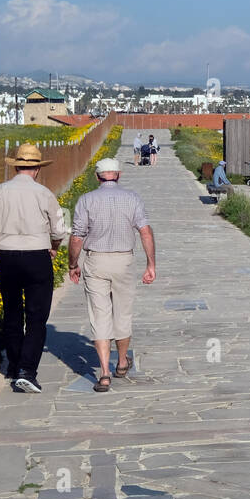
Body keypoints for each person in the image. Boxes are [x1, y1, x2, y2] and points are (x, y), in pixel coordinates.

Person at [0, 143, 68, 393]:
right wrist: (54, 246)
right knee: (37, 317)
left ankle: (13, 364)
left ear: (16, 167)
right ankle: (26, 370)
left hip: (7, 257)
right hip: (37, 257)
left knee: (12, 310)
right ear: (36, 169)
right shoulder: (45, 193)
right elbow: (58, 229)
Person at [68, 158, 156, 393]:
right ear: (119, 175)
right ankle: (123, 361)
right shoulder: (132, 198)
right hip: (124, 260)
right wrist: (151, 264)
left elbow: (77, 237)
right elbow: (145, 232)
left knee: (99, 315)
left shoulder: (86, 200)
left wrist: (72, 264)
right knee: (123, 312)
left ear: (97, 177)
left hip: (96, 260)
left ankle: (104, 373)